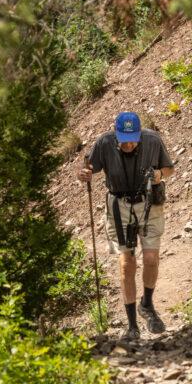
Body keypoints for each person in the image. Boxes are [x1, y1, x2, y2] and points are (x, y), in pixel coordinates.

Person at [78, 111, 174, 342]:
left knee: (151, 258)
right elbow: (89, 167)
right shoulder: (104, 143)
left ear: (139, 133)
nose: (129, 143)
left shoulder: (152, 140)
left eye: (133, 138)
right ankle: (132, 325)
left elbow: (169, 168)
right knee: (126, 263)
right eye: (124, 138)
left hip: (149, 202)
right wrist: (84, 173)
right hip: (118, 206)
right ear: (116, 134)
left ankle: (147, 305)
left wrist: (160, 174)